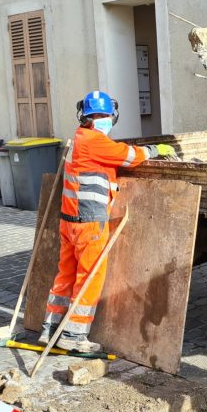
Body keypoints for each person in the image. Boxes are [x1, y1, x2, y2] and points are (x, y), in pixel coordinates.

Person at [40, 90, 175, 352]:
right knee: (89, 277)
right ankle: (74, 334)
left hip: (70, 220)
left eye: (104, 115)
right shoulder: (95, 141)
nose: (103, 119)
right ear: (89, 119)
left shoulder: (79, 138)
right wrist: (155, 149)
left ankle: (51, 327)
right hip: (89, 222)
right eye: (99, 116)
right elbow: (129, 156)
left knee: (66, 275)